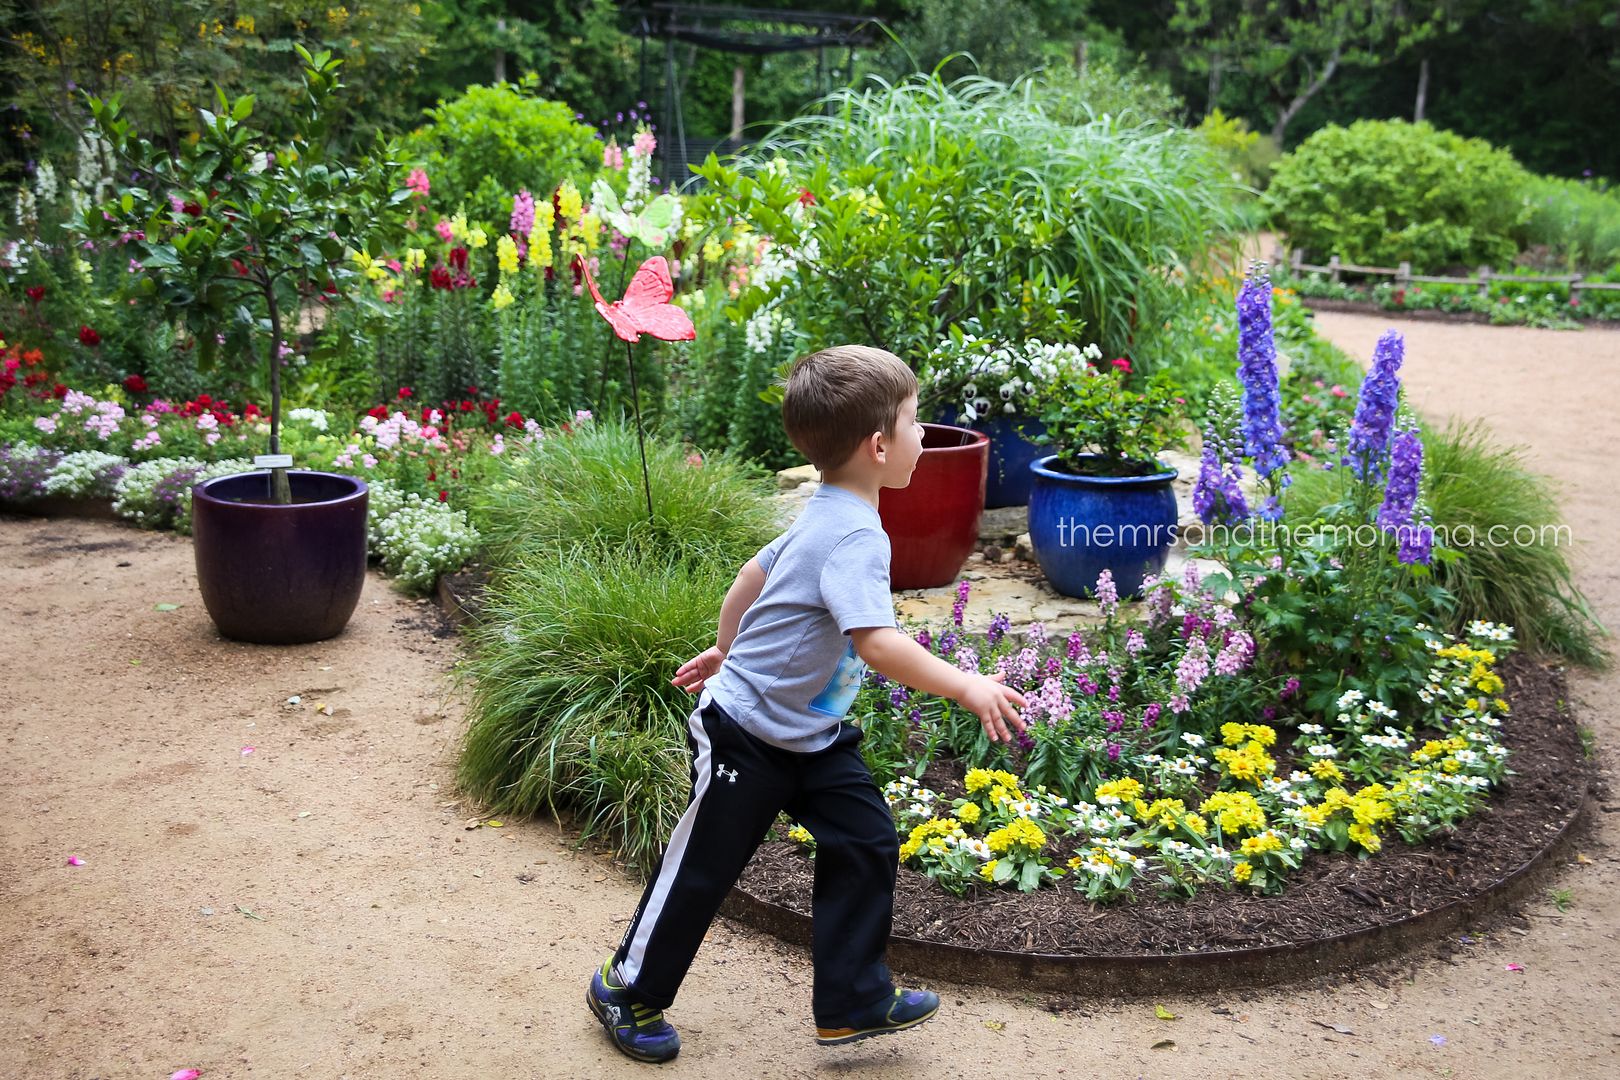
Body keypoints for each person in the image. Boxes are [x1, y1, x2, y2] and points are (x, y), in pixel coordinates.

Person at [587, 344, 1027, 1064]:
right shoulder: (853, 533)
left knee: (865, 839)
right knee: (704, 865)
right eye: (916, 422)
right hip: (746, 733)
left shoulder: (830, 512)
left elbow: (751, 576)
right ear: (880, 446)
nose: (922, 435)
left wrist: (728, 646)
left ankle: (852, 1001)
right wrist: (967, 683)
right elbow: (878, 644)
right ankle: (626, 987)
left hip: (812, 734)